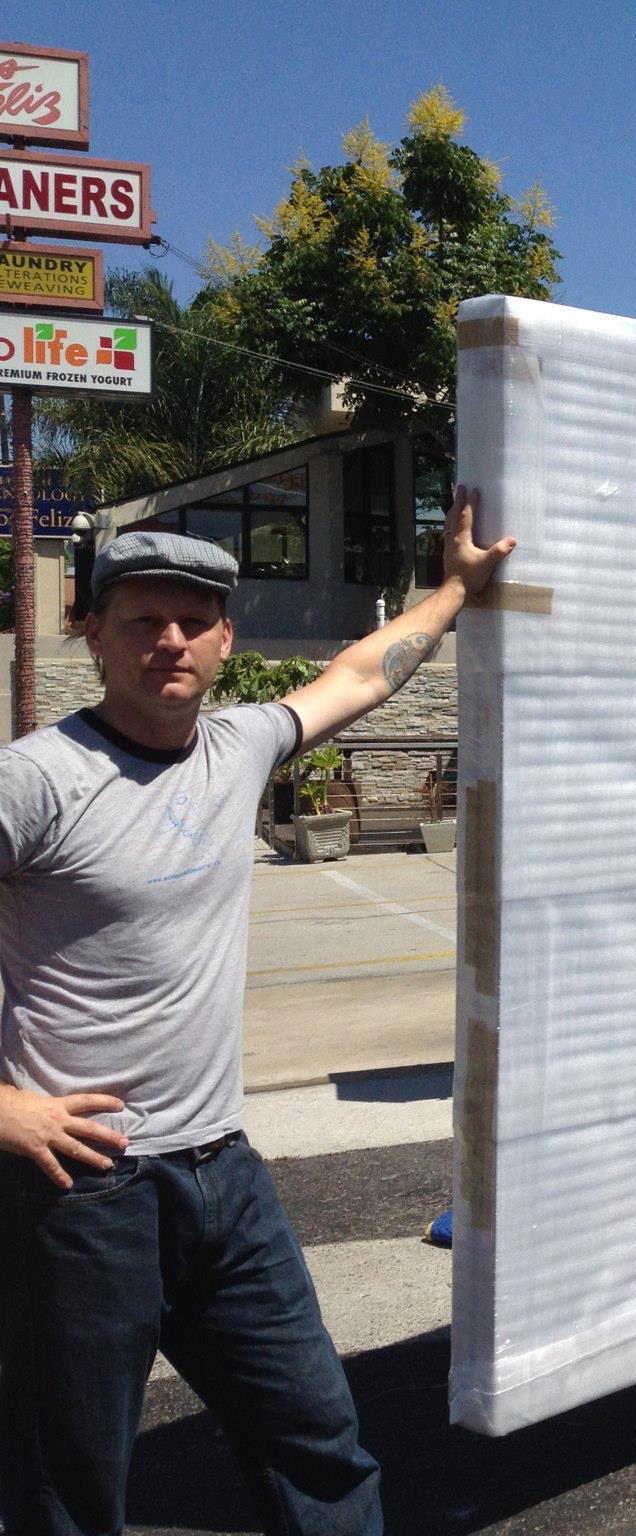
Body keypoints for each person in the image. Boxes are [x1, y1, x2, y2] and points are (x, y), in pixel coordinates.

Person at [0, 490, 513, 1535]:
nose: (171, 641)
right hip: (83, 1193)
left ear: (226, 640)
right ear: (92, 632)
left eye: (194, 621)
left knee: (316, 1441)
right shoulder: (36, 780)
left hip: (223, 1175)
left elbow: (359, 674)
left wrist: (455, 589)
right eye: (143, 619)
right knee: (71, 1487)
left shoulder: (238, 747)